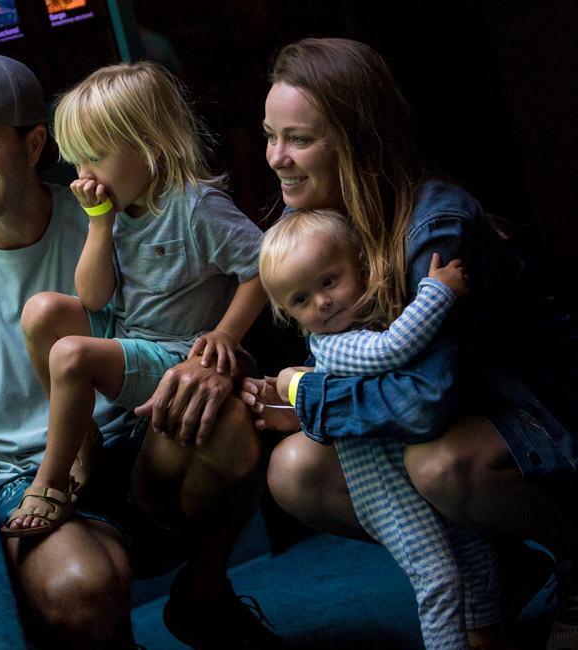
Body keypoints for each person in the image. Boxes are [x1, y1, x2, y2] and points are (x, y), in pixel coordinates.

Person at [0, 53, 287, 650]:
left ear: (33, 145)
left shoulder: (118, 211)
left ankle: (204, 595)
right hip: (26, 473)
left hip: (143, 443)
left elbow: (201, 313)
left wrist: (223, 365)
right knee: (81, 588)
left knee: (229, 416)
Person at [240, 37, 577, 649]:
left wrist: (306, 396)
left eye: (299, 138)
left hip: (530, 409)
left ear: (358, 138)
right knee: (295, 473)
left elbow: (423, 405)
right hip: (454, 413)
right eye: (270, 134)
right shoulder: (308, 219)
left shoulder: (436, 223)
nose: (276, 158)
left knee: (439, 466)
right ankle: (500, 570)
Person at [2, 61, 267, 540]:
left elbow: (265, 269)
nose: (85, 178)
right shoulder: (118, 210)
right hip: (128, 333)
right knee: (41, 310)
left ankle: (50, 480)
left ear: (151, 147)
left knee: (72, 354)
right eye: (77, 162)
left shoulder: (195, 207)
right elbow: (92, 296)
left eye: (95, 158)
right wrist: (100, 224)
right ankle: (84, 437)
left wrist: (225, 334)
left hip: (171, 354)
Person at [258, 208, 502, 649]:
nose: (321, 303)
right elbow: (393, 348)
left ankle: (484, 635)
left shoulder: (366, 319)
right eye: (301, 300)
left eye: (329, 282)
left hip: (410, 473)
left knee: (475, 551)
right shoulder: (335, 346)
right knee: (437, 575)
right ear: (285, 312)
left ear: (362, 266)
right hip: (384, 492)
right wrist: (437, 292)